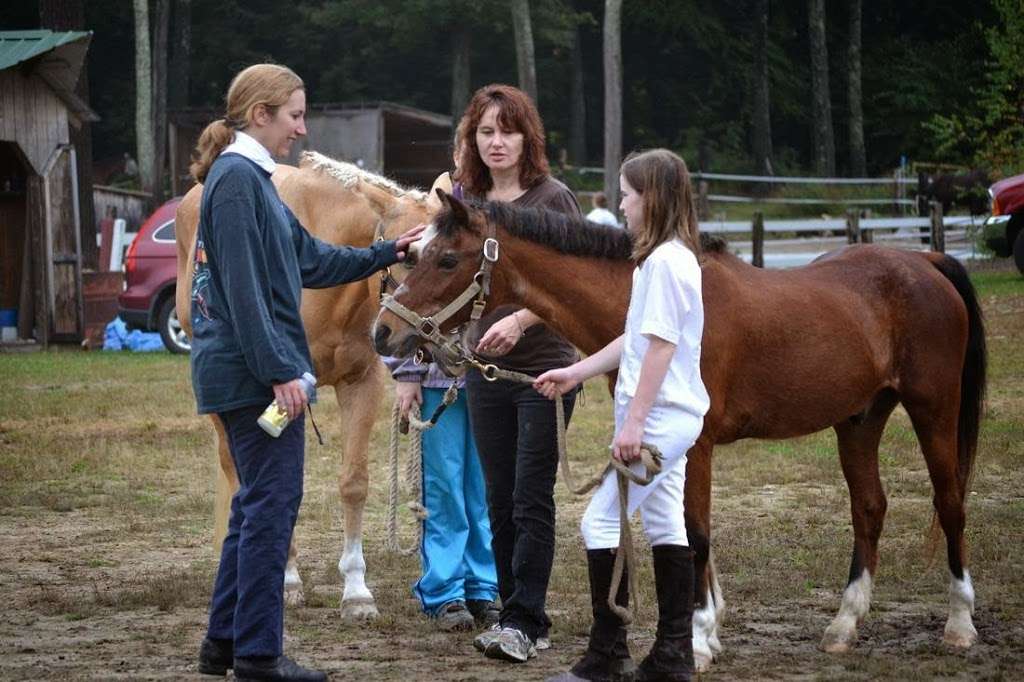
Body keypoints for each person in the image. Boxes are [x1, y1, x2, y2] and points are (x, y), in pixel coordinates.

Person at [189, 63, 423, 682]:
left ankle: (222, 645)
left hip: (244, 372)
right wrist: (280, 372)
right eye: (294, 113)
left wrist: (388, 252)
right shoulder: (239, 183)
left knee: (253, 509)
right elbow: (242, 291)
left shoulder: (250, 180)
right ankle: (259, 656)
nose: (302, 127)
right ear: (261, 114)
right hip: (251, 374)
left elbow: (309, 259)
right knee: (272, 508)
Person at [535, 148, 709, 682]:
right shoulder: (659, 261)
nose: (622, 204)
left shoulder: (665, 264)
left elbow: (657, 349)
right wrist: (577, 371)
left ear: (650, 199)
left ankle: (607, 656)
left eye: (628, 195)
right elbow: (635, 337)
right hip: (668, 418)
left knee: (599, 520)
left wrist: (633, 425)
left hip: (660, 420)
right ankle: (672, 655)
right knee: (664, 521)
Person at [452, 84, 583, 664]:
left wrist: (525, 321)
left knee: (532, 499)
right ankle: (515, 614)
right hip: (485, 373)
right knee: (498, 500)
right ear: (472, 139)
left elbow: (580, 287)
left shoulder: (554, 200)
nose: (496, 142)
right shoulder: (468, 203)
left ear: (528, 137)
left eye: (507, 130)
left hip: (545, 372)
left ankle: (525, 621)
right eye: (485, 131)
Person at [385, 128, 499, 632]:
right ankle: (445, 590)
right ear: (458, 155)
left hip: (495, 375)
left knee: (487, 486)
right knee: (445, 486)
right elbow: (407, 292)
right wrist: (407, 373)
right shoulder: (435, 213)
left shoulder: (509, 213)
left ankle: (485, 585)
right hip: (439, 373)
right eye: (469, 148)